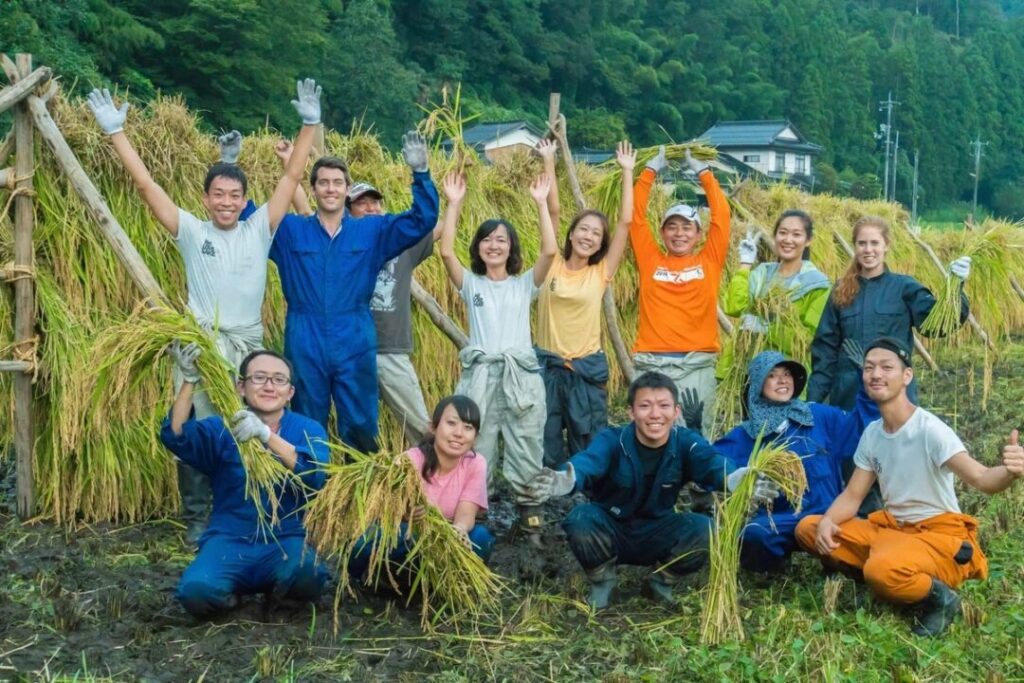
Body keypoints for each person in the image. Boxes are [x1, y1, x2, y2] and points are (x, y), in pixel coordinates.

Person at [86, 80, 322, 543]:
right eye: (219, 194)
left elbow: (291, 179)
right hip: (200, 344)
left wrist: (309, 126)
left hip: (247, 345)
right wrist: (116, 132)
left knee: (248, 424)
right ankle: (197, 516)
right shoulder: (192, 231)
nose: (227, 202)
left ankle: (246, 507)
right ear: (206, 197)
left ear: (243, 199)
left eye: (235, 195)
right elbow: (144, 184)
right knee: (194, 425)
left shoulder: (260, 228)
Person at [796, 337, 1024, 636]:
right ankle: (881, 572)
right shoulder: (873, 434)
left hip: (937, 536)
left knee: (882, 569)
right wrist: (828, 521)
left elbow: (981, 478)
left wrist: (1009, 472)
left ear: (907, 376)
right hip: (894, 530)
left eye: (886, 367)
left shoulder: (930, 431)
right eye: (869, 368)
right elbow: (852, 496)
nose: (876, 374)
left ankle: (941, 599)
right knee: (808, 529)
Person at [528, 372, 778, 609]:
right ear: (631, 412)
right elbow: (588, 462)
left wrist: (736, 479)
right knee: (580, 519)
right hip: (612, 527)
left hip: (659, 530)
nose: (655, 414)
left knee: (706, 530)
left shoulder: (685, 441)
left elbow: (712, 464)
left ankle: (661, 582)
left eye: (664, 406)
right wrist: (565, 479)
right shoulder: (613, 440)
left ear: (676, 411)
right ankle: (603, 581)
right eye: (645, 406)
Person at [269, 133, 440, 451]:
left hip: (355, 337)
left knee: (360, 425)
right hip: (304, 338)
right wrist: (230, 162)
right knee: (308, 423)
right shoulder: (290, 231)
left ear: (346, 189)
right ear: (313, 188)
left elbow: (422, 220)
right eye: (323, 182)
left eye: (337, 182)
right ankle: (312, 494)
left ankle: (357, 494)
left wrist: (421, 173)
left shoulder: (372, 230)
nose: (330, 188)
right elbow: (245, 221)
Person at [160, 346, 330, 618]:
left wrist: (265, 435)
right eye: (259, 378)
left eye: (279, 380)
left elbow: (315, 474)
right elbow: (177, 435)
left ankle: (282, 602)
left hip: (284, 538)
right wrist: (189, 380)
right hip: (229, 538)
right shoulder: (222, 427)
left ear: (290, 393)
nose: (269, 386)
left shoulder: (309, 429)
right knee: (196, 592)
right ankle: (236, 604)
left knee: (308, 573)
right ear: (241, 386)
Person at [438, 171, 556, 546]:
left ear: (511, 248)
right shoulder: (471, 285)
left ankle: (530, 517)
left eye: (501, 240)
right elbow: (444, 251)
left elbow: (550, 252)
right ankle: (475, 514)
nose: (494, 245)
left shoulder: (524, 286)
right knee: (476, 444)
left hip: (520, 377)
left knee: (526, 442)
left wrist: (540, 203)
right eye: (487, 240)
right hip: (481, 377)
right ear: (478, 248)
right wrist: (454, 203)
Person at [714, 351, 868, 573]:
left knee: (863, 551)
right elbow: (713, 463)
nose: (783, 380)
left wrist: (867, 388)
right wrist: (694, 431)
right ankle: (770, 571)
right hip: (780, 519)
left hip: (827, 514)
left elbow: (861, 429)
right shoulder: (747, 433)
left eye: (787, 374)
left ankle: (833, 564)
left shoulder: (817, 415)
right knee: (753, 534)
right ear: (757, 383)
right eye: (772, 375)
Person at [533, 139, 636, 468]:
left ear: (601, 243)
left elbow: (625, 223)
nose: (588, 236)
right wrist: (549, 159)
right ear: (571, 233)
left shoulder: (601, 272)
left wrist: (627, 172)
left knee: (588, 442)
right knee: (546, 440)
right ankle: (546, 503)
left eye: (596, 233)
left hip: (586, 370)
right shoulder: (551, 263)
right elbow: (553, 210)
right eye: (583, 229)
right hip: (548, 368)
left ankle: (587, 501)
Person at [807, 216, 972, 409]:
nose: (868, 250)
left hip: (895, 398)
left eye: (874, 243)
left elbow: (937, 325)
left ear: (886, 246)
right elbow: (825, 351)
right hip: (849, 398)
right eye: (862, 243)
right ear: (855, 246)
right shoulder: (841, 292)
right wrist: (812, 402)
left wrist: (956, 286)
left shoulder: (904, 287)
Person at [631, 146, 731, 430]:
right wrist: (650, 171)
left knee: (696, 434)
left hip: (696, 363)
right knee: (649, 434)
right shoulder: (650, 260)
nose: (679, 233)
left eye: (687, 227)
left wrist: (703, 173)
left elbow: (722, 218)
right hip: (652, 362)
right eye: (672, 227)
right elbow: (636, 219)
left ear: (699, 234)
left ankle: (696, 478)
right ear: (662, 232)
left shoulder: (709, 260)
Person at [348, 395, 495, 584]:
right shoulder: (408, 460)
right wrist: (403, 511)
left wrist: (459, 529)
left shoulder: (476, 463)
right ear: (433, 427)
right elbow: (382, 507)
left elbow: (466, 514)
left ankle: (437, 582)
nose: (459, 433)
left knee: (481, 538)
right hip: (409, 533)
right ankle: (385, 576)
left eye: (468, 428)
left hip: (446, 538)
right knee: (363, 545)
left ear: (475, 437)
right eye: (451, 423)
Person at [347, 181, 441, 445]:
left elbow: (431, 229)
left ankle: (432, 476)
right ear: (347, 211)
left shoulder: (403, 244)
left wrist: (455, 202)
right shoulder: (341, 243)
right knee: (355, 426)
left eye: (374, 202)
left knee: (420, 425)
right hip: (350, 351)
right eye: (361, 203)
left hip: (391, 349)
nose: (370, 208)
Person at [722, 210, 831, 358]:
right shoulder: (761, 274)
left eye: (796, 234)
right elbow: (734, 308)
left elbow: (809, 341)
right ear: (775, 236)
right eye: (783, 233)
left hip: (786, 373)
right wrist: (745, 264)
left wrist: (767, 329)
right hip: (747, 365)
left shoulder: (817, 285)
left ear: (808, 240)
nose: (787, 239)